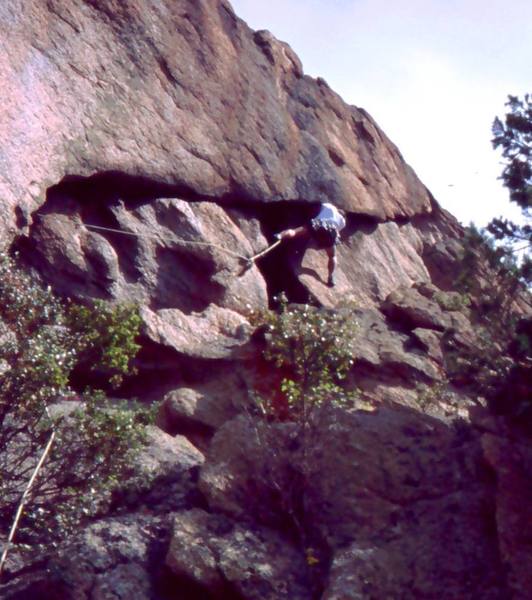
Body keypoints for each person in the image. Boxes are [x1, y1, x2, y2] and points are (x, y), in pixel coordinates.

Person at [274, 202, 346, 287]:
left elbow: (316, 208)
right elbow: (337, 231)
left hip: (318, 223)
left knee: (295, 231)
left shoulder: (329, 206)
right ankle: (331, 277)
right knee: (332, 256)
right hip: (330, 231)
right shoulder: (343, 221)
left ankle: (280, 235)